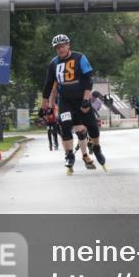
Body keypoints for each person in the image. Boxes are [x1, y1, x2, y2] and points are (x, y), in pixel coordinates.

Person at [41, 34, 106, 174]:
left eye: (63, 46)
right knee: (65, 125)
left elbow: (88, 79)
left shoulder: (80, 58)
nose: (61, 49)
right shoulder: (53, 63)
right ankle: (69, 155)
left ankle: (97, 148)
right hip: (65, 101)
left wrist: (86, 98)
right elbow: (48, 85)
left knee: (92, 127)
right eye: (58, 47)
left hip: (81, 98)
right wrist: (44, 104)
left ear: (68, 45)